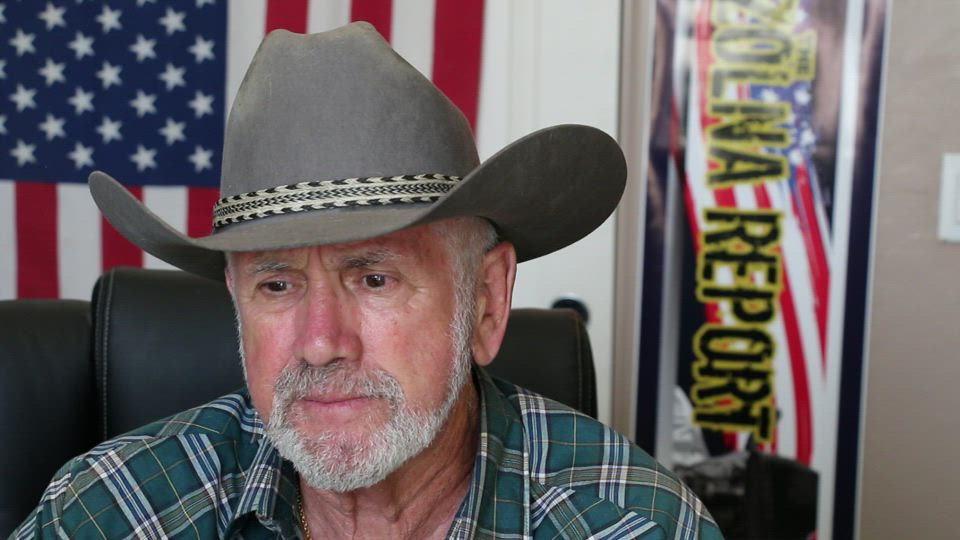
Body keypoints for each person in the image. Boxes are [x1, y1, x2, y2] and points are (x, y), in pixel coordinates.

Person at [14, 23, 722, 539]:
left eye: (374, 279)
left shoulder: (628, 524)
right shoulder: (113, 511)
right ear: (235, 300)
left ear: (486, 301)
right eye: (277, 285)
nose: (321, 343)